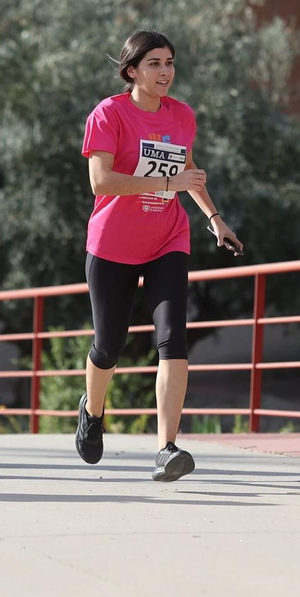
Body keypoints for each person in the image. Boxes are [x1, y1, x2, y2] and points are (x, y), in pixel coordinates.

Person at [73, 30, 242, 482]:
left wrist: (215, 219)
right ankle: (92, 410)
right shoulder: (109, 114)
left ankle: (167, 448)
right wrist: (168, 186)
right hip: (112, 244)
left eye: (169, 62)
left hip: (168, 238)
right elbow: (102, 182)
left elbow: (188, 171)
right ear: (132, 70)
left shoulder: (182, 115)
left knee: (173, 338)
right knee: (109, 345)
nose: (165, 71)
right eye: (154, 63)